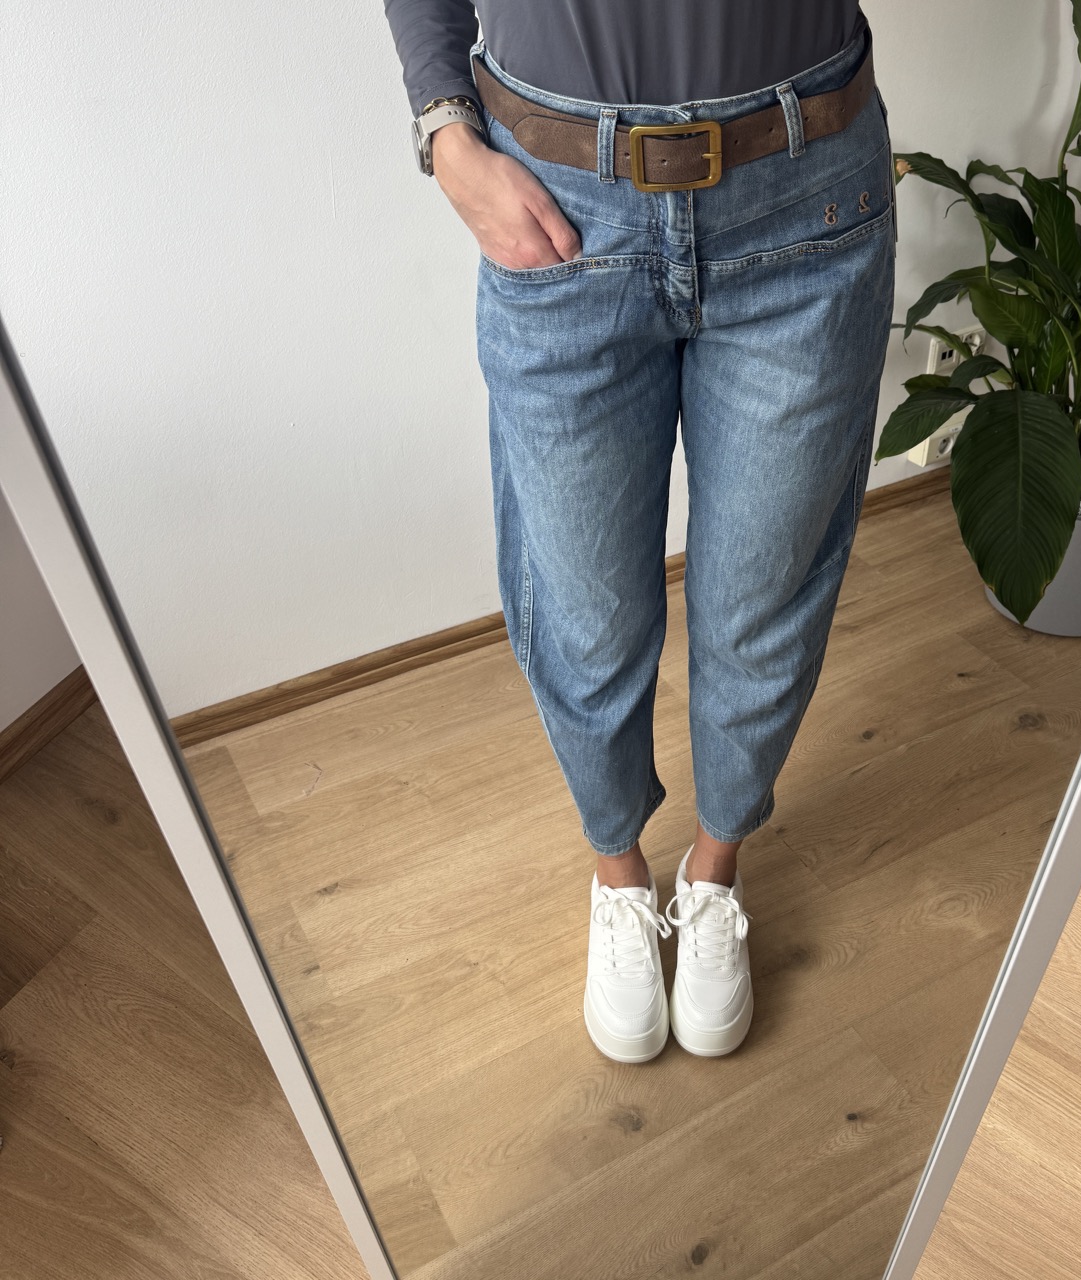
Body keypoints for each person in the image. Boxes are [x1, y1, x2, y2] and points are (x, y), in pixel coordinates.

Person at [382, 0, 896, 1063]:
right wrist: (445, 130)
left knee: (761, 598)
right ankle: (618, 874)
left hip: (802, 193)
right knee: (586, 610)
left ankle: (714, 871)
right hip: (557, 199)